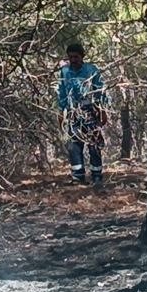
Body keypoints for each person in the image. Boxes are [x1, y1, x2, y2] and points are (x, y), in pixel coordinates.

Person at [57, 43, 108, 187]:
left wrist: (102, 111)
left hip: (91, 111)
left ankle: (97, 176)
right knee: (74, 145)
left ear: (82, 56)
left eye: (76, 57)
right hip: (73, 112)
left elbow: (100, 91)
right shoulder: (64, 71)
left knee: (94, 144)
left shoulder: (91, 70)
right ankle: (78, 177)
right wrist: (61, 111)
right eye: (71, 57)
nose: (73, 60)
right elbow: (61, 92)